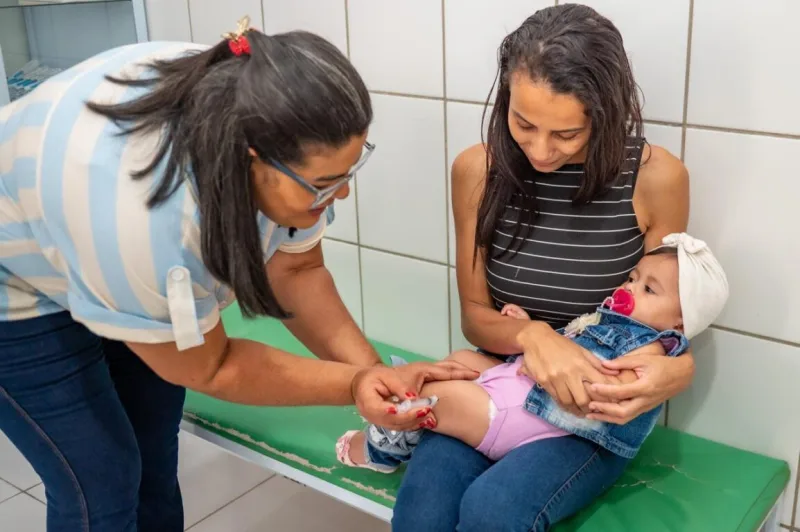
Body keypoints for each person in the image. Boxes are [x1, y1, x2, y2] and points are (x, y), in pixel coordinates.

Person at [0, 17, 476, 532]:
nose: (341, 195)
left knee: (153, 447)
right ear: (252, 161)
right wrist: (355, 384)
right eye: (325, 183)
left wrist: (378, 377)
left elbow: (295, 269)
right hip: (17, 281)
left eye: (350, 171)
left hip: (89, 234)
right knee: (101, 478)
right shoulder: (147, 219)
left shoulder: (262, 103)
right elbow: (213, 367)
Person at [390, 4, 697, 531]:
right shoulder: (476, 171)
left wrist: (676, 370)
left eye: (567, 134)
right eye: (523, 123)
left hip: (586, 414)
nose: (539, 150)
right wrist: (534, 337)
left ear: (606, 113)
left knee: (493, 513)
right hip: (499, 381)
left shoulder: (656, 178)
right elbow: (474, 314)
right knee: (422, 512)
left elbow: (672, 311)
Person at [336, 233, 728, 470]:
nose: (629, 288)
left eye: (649, 289)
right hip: (517, 385)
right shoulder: (607, 320)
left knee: (445, 398)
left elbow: (602, 393)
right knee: (460, 361)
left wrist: (548, 370)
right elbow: (566, 344)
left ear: (679, 324)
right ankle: (409, 403)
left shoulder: (650, 350)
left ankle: (382, 446)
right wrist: (526, 325)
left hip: (525, 415)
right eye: (633, 277)